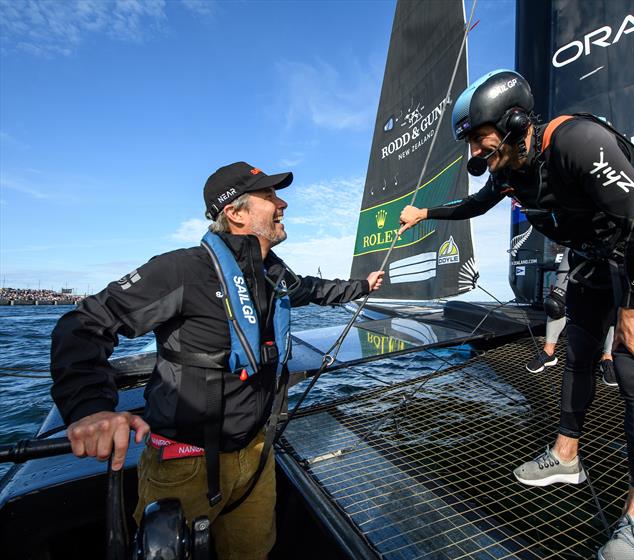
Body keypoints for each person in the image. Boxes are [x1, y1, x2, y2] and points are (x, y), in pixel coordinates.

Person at [399, 69, 634, 560]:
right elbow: (475, 204)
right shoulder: (509, 167)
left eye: (480, 141)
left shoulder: (578, 141)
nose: (476, 154)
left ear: (515, 121)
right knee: (579, 357)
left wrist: (633, 310)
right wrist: (426, 214)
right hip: (591, 261)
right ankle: (566, 455)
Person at [50, 161, 384, 559]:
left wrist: (363, 286)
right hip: (185, 466)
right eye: (269, 196)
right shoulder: (183, 269)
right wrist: (89, 409)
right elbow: (84, 323)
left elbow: (312, 289)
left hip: (258, 454)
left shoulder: (273, 275)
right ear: (236, 212)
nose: (283, 203)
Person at [528, 249, 617, 388]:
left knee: (612, 305)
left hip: (611, 248)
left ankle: (607, 358)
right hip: (577, 245)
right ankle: (548, 352)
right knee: (556, 303)